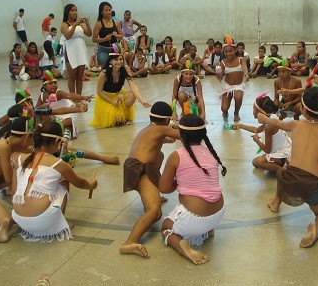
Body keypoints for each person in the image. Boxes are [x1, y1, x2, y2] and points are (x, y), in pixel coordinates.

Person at [258, 88, 318, 248]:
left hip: (289, 180)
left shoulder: (296, 125)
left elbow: (275, 122)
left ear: (304, 109)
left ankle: (276, 203)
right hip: (311, 185)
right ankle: (316, 230)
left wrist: (263, 117)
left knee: (284, 172)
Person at [11, 120, 98, 242]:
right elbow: (81, 183)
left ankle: (10, 223)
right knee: (63, 181)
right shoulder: (58, 164)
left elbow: (15, 191)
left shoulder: (19, 158)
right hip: (42, 222)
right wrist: (92, 185)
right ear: (58, 141)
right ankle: (59, 223)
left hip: (18, 218)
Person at [159, 114, 226, 265]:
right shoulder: (211, 153)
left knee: (165, 228)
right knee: (204, 198)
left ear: (181, 135)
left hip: (194, 219)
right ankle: (208, 230)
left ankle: (183, 246)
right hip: (218, 213)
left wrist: (177, 182)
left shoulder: (177, 156)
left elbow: (163, 187)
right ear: (203, 135)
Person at [119, 101, 180, 258]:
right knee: (155, 212)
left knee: (158, 154)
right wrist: (183, 123)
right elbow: (184, 135)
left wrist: (167, 136)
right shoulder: (161, 128)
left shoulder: (149, 129)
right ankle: (130, 242)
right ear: (167, 120)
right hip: (139, 169)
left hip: (134, 165)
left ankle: (154, 194)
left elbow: (158, 140)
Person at [89, 53, 150, 128]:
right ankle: (119, 115)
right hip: (106, 98)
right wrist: (112, 102)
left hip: (119, 95)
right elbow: (99, 92)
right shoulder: (104, 73)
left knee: (132, 95)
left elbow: (133, 86)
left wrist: (142, 101)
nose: (119, 62)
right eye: (116, 59)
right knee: (117, 121)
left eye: (121, 59)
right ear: (110, 61)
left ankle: (123, 113)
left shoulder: (124, 70)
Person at [234, 95, 291, 173]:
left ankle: (285, 172)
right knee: (255, 162)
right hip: (280, 151)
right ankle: (282, 164)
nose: (253, 110)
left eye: (254, 109)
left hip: (284, 153)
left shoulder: (269, 127)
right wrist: (240, 126)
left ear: (258, 112)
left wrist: (257, 140)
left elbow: (267, 150)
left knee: (260, 162)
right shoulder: (268, 122)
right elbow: (256, 130)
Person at [37, 71, 92, 138]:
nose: (54, 85)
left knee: (65, 122)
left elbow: (70, 95)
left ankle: (61, 129)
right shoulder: (42, 96)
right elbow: (37, 109)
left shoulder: (58, 92)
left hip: (69, 111)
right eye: (50, 83)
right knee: (44, 114)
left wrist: (83, 97)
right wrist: (41, 110)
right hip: (55, 114)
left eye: (55, 83)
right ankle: (65, 130)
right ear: (44, 86)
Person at [61, 4, 92, 95]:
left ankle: (79, 96)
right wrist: (75, 24)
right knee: (72, 76)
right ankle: (72, 96)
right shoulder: (64, 24)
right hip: (70, 49)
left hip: (80, 49)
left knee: (79, 76)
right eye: (72, 10)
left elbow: (89, 34)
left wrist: (87, 24)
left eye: (76, 10)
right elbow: (68, 35)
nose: (75, 12)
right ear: (67, 12)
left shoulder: (81, 24)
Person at [217, 40, 249, 122]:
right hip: (227, 86)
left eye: (231, 51)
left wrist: (246, 74)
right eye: (226, 52)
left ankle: (236, 112)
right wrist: (218, 72)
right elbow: (220, 78)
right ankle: (225, 111)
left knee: (238, 96)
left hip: (239, 85)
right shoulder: (223, 62)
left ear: (235, 50)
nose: (228, 54)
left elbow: (244, 67)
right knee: (224, 109)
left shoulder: (241, 59)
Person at [93, 1, 123, 68]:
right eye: (106, 10)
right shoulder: (98, 24)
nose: (109, 12)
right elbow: (94, 39)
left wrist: (117, 36)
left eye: (110, 10)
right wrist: (105, 39)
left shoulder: (116, 23)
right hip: (103, 49)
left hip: (115, 47)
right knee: (105, 69)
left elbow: (121, 36)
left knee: (117, 68)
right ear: (101, 12)